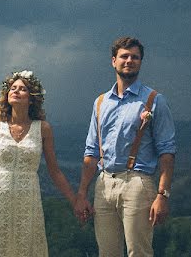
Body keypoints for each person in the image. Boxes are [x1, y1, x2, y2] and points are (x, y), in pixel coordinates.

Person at [73, 36, 176, 257]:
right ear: (113, 61)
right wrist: (82, 194)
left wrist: (162, 195)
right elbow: (91, 152)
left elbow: (167, 152)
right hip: (104, 183)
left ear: (140, 62)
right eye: (124, 56)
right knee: (107, 253)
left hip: (137, 182)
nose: (129, 60)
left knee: (138, 252)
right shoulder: (100, 102)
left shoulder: (154, 100)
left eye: (135, 57)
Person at [0, 70, 76, 257]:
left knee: (25, 247)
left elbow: (55, 171)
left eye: (22, 89)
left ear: (31, 98)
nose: (16, 91)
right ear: (7, 95)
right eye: (13, 88)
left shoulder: (43, 128)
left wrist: (75, 201)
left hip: (28, 199)